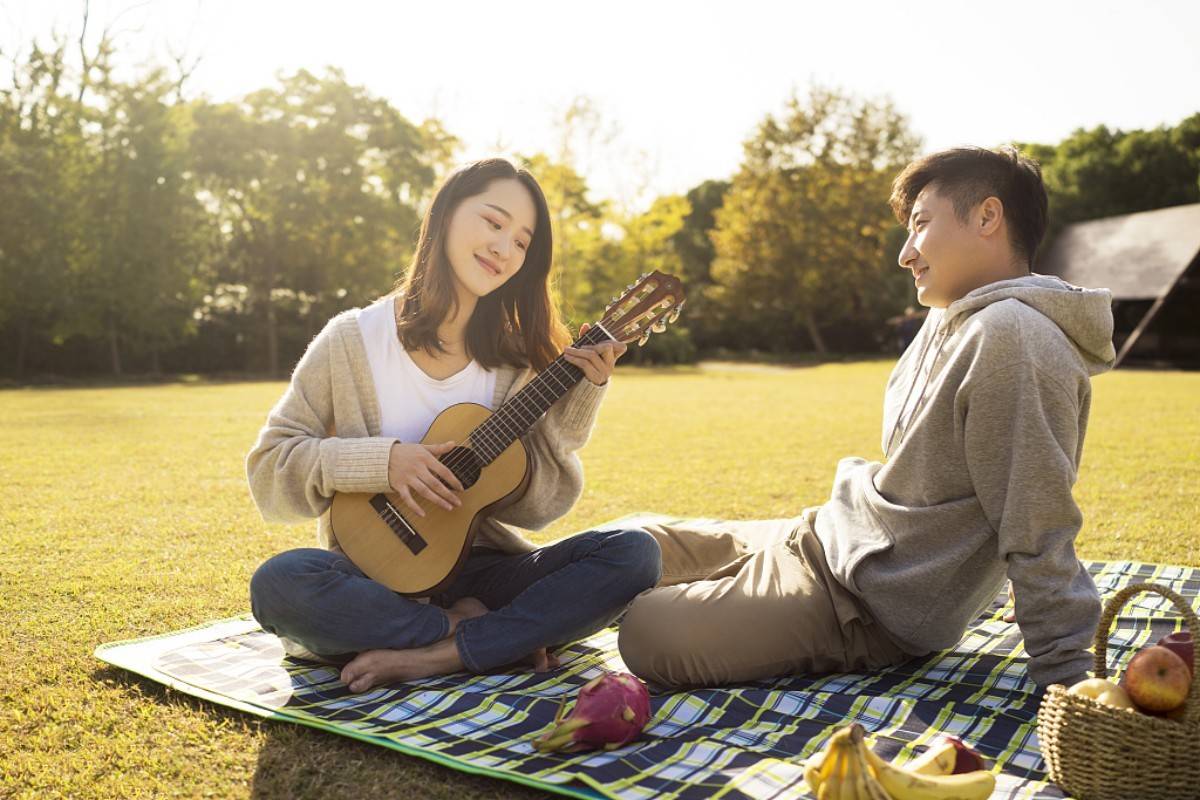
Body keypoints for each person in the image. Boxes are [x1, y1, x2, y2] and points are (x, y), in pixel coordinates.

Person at [618, 146, 1115, 691]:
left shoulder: (1015, 339)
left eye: (921, 225)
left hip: (862, 606)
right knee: (625, 543)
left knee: (648, 630)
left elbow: (1037, 524)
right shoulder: (949, 315)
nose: (906, 254)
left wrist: (1070, 679)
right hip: (824, 537)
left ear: (988, 217)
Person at [246, 158, 661, 693]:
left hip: (482, 574)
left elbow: (538, 509)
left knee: (635, 552)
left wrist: (583, 395)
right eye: (493, 222)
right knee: (280, 585)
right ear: (443, 215)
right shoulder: (351, 342)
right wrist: (385, 462)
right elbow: (269, 469)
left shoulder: (517, 362)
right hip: (373, 578)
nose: (504, 248)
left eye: (521, 242)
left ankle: (435, 656)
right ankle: (475, 635)